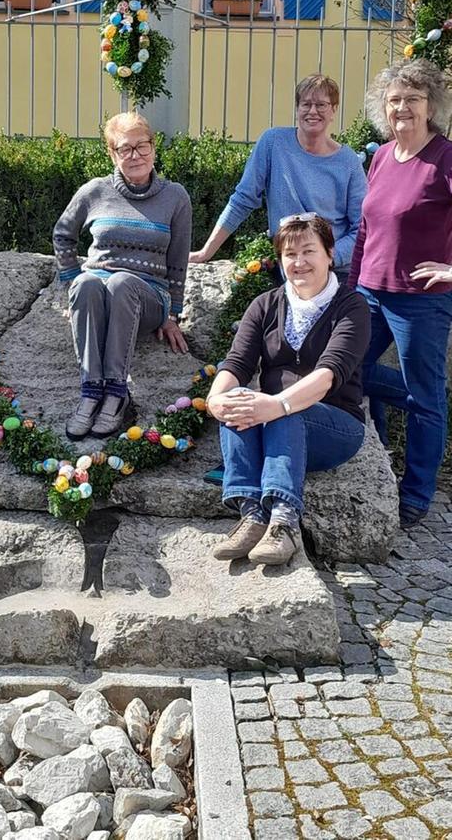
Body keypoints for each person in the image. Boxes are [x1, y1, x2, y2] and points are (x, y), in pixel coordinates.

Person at [207, 214, 370, 567]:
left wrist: (278, 404)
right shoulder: (265, 304)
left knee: (286, 410)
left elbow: (329, 374)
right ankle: (251, 514)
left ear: (330, 253)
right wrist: (217, 399)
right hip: (276, 423)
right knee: (236, 402)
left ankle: (284, 519)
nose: (299, 262)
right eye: (289, 254)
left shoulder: (351, 306)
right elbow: (236, 364)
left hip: (336, 425)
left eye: (308, 251)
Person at [349, 57, 452, 528]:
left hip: (421, 301)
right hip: (369, 292)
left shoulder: (446, 158)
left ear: (431, 105)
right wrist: (348, 292)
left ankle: (415, 494)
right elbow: (367, 230)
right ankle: (418, 402)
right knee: (344, 371)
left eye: (413, 99)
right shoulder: (382, 157)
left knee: (425, 399)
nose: (403, 108)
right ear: (382, 109)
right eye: (394, 100)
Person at [53, 111, 192, 440]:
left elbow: (178, 259)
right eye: (125, 149)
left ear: (154, 148)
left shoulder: (175, 197)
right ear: (112, 154)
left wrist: (173, 313)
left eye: (141, 146)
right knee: (88, 282)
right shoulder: (94, 192)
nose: (135, 156)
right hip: (98, 293)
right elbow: (63, 234)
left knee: (122, 282)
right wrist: (71, 276)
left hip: (148, 298)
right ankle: (90, 392)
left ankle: (116, 392)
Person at [189, 74, 366, 278]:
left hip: (334, 270)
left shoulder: (348, 162)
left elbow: (361, 228)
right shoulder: (273, 142)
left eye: (321, 105)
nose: (313, 111)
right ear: (297, 109)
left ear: (334, 110)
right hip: (288, 265)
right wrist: (206, 252)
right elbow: (242, 200)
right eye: (306, 104)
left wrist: (325, 258)